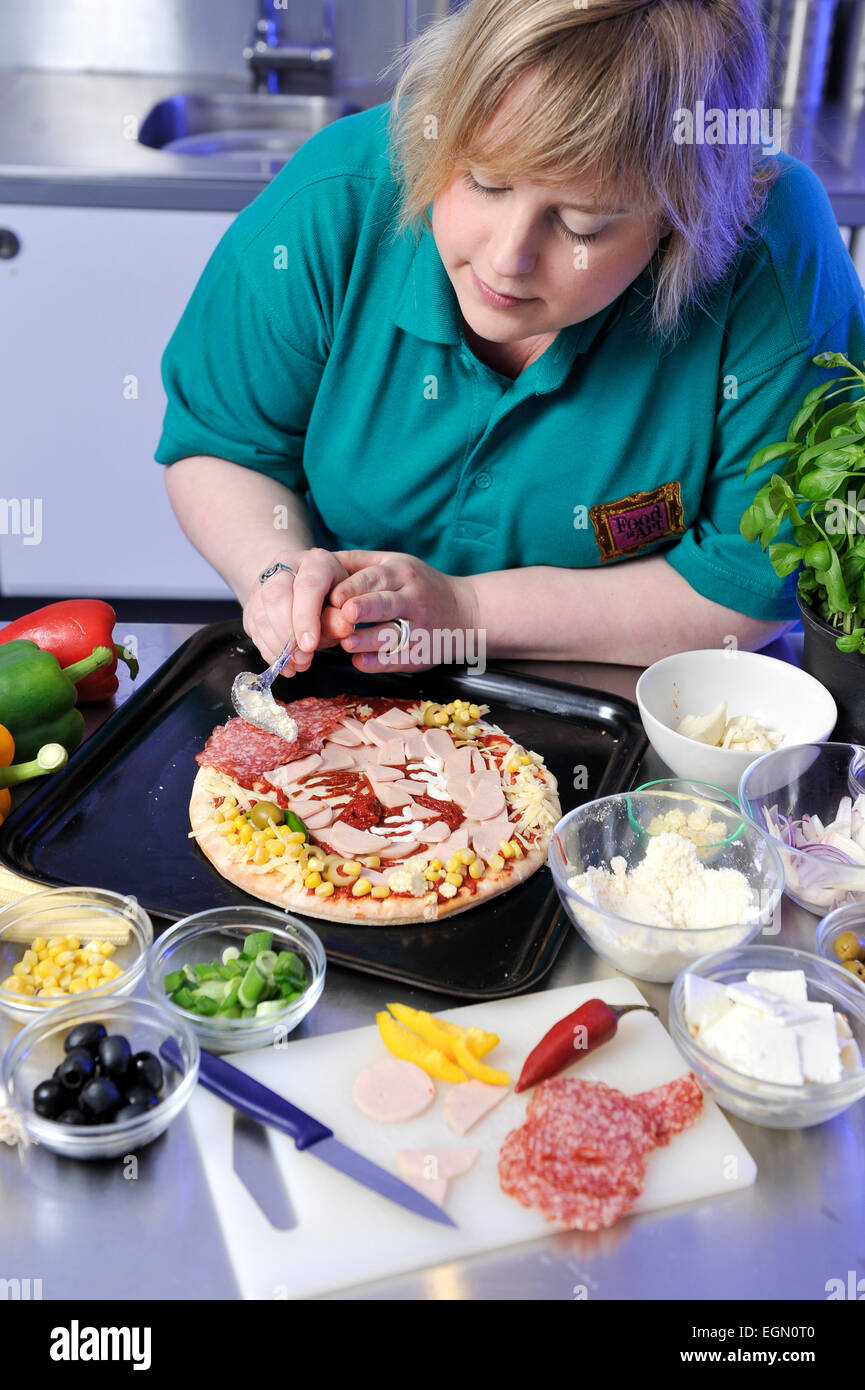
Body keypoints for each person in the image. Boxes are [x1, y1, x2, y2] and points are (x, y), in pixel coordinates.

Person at [156, 0, 865, 677]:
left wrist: (464, 611)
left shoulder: (772, 253)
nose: (506, 260)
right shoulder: (335, 197)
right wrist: (276, 573)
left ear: (683, 220)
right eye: (485, 181)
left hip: (644, 696)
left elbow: (734, 594)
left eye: (583, 224)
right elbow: (220, 448)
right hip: (349, 681)